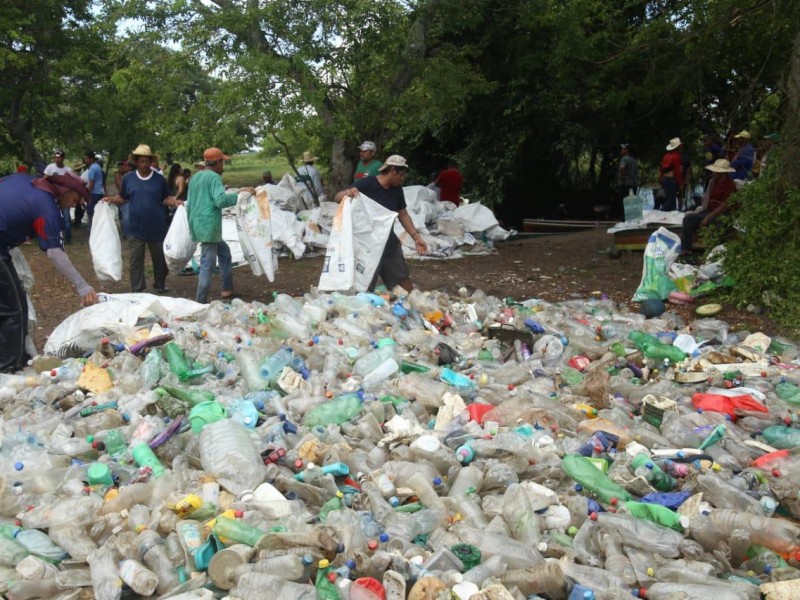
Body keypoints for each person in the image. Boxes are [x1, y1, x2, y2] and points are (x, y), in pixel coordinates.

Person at [0, 173, 98, 371]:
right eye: (75, 199)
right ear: (65, 191)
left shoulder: (26, 180)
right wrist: (82, 285)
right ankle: (7, 370)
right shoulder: (47, 207)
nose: (73, 205)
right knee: (13, 310)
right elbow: (54, 253)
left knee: (15, 302)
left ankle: (18, 358)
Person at [334, 155, 427, 293]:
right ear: (393, 170)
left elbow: (403, 214)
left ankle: (412, 302)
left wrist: (416, 238)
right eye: (401, 175)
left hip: (388, 244)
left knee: (402, 281)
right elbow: (337, 198)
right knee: (364, 287)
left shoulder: (396, 190)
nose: (403, 178)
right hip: (367, 247)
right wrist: (347, 193)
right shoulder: (367, 184)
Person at [101, 144, 180, 293]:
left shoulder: (159, 179)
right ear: (136, 162)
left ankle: (159, 284)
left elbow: (166, 198)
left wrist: (175, 201)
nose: (144, 165)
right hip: (136, 227)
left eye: (147, 161)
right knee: (136, 260)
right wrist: (110, 199)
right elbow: (123, 198)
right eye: (141, 161)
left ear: (151, 161)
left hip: (157, 227)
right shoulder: (129, 179)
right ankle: (137, 288)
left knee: (160, 259)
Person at [186, 147, 256, 304]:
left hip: (198, 223)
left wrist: (192, 227)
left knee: (224, 253)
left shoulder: (195, 178)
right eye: (222, 162)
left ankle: (227, 289)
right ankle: (200, 301)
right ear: (217, 162)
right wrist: (240, 194)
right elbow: (220, 201)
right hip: (209, 226)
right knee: (207, 265)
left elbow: (189, 204)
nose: (223, 166)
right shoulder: (214, 178)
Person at [680, 159, 737, 255]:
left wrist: (708, 217)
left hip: (721, 214)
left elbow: (725, 205)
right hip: (708, 210)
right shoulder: (713, 182)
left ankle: (711, 249)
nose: (713, 173)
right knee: (688, 219)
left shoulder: (729, 185)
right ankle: (686, 248)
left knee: (712, 223)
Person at [44, 150, 76, 243]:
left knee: (66, 218)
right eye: (55, 157)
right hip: (53, 196)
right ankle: (53, 237)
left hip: (65, 197)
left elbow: (72, 183)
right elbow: (44, 179)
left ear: (63, 158)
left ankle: (68, 238)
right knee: (52, 216)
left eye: (59, 157)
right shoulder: (50, 167)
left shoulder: (68, 170)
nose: (57, 159)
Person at [82, 151, 105, 228]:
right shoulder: (97, 166)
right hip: (99, 192)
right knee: (97, 212)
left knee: (91, 213)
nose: (85, 160)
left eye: (86, 159)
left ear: (91, 159)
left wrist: (85, 194)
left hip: (94, 193)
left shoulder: (93, 168)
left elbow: (91, 184)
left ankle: (92, 230)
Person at [615, 144, 638, 216]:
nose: (621, 150)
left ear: (627, 150)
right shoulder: (634, 160)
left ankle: (624, 219)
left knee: (624, 202)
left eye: (623, 149)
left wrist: (621, 177)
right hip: (633, 184)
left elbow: (622, 167)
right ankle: (631, 218)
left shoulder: (624, 159)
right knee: (631, 203)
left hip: (625, 184)